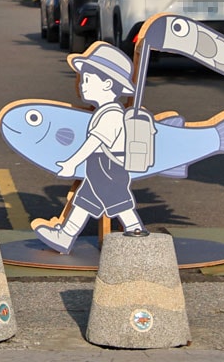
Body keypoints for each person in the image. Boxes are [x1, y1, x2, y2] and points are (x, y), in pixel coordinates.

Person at [33, 43, 146, 253]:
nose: (81, 84)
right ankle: (65, 237)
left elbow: (93, 143)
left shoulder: (111, 115)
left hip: (108, 168)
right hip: (100, 167)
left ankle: (139, 237)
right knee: (84, 201)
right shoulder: (105, 112)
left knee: (121, 205)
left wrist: (71, 163)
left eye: (87, 79)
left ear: (107, 84)